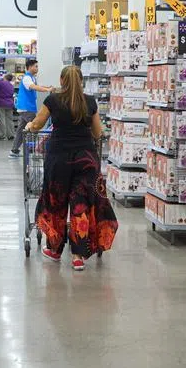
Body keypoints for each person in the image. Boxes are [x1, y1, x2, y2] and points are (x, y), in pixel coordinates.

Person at [25, 65, 117, 270]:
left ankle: (55, 250)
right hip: (86, 159)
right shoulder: (90, 102)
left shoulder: (53, 100)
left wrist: (30, 126)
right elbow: (97, 132)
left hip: (59, 159)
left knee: (56, 204)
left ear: (61, 80)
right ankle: (78, 256)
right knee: (80, 205)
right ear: (82, 81)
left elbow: (38, 124)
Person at [9, 60, 51, 158]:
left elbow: (37, 86)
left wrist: (47, 87)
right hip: (27, 108)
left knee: (21, 130)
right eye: (35, 66)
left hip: (25, 108)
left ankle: (14, 151)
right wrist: (47, 90)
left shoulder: (31, 77)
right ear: (30, 67)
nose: (37, 68)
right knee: (34, 127)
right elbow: (34, 87)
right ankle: (32, 151)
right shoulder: (27, 78)